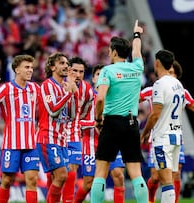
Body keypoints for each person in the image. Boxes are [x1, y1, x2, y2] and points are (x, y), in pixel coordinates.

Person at [140, 60, 194, 203]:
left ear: (177, 76)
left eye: (173, 73)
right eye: (169, 72)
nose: (170, 75)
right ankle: (150, 199)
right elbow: (134, 99)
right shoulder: (153, 89)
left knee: (176, 174)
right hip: (158, 137)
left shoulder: (182, 91)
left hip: (175, 137)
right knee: (155, 177)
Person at [90, 20, 148, 203]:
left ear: (114, 52)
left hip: (112, 122)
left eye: (109, 49)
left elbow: (100, 98)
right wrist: (137, 34)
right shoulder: (137, 68)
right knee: (136, 173)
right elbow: (137, 51)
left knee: (101, 171)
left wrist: (98, 119)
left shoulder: (107, 71)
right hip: (131, 123)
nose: (108, 52)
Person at [0, 54, 40, 203]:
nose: (30, 70)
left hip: (31, 144)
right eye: (26, 67)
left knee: (32, 180)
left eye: (31, 67)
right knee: (7, 180)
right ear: (17, 70)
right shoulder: (6, 89)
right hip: (11, 144)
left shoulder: (35, 88)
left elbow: (46, 108)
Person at [74, 64, 125, 203]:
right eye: (98, 74)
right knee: (88, 183)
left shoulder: (115, 98)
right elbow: (76, 121)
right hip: (91, 142)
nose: (102, 77)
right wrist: (94, 123)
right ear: (94, 79)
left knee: (118, 175)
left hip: (112, 142)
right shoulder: (87, 97)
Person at [140, 49, 184, 203]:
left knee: (166, 182)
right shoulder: (178, 84)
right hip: (176, 137)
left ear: (157, 63)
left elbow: (155, 114)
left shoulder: (159, 84)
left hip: (163, 138)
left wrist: (144, 133)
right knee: (170, 179)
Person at [36, 52, 78, 203]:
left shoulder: (63, 87)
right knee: (61, 176)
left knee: (57, 178)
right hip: (48, 137)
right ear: (52, 67)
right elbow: (53, 110)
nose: (66, 66)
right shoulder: (47, 85)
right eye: (62, 63)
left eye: (67, 63)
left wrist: (73, 93)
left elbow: (72, 116)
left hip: (61, 139)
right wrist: (68, 93)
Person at [62, 56, 94, 203]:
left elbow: (86, 109)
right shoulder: (59, 84)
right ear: (68, 70)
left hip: (74, 134)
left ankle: (68, 200)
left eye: (81, 71)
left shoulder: (87, 89)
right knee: (56, 174)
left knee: (72, 170)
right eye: (74, 70)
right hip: (56, 133)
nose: (78, 74)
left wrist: (78, 123)